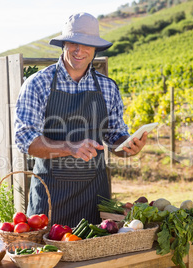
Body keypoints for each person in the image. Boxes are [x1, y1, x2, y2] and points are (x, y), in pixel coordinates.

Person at [14, 12, 148, 227]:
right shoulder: (37, 84)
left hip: (94, 197)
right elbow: (24, 140)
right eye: (73, 43)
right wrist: (70, 147)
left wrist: (129, 146)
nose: (79, 50)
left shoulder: (107, 87)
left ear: (95, 49)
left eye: (87, 44)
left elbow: (114, 137)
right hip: (50, 198)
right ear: (63, 44)